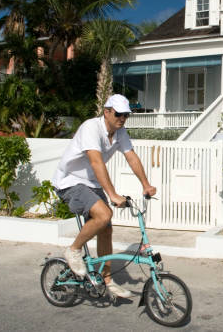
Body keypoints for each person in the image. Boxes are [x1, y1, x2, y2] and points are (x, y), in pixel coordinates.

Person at [52, 94, 156, 298]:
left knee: (106, 229)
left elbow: (131, 157)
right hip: (70, 181)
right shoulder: (91, 127)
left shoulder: (120, 132)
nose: (123, 119)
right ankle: (73, 250)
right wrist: (113, 194)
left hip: (91, 183)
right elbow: (96, 162)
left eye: (126, 115)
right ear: (106, 111)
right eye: (119, 114)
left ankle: (107, 280)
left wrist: (146, 184)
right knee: (104, 214)